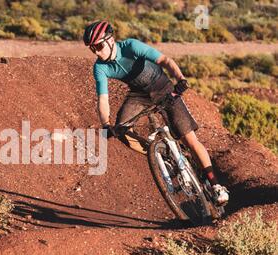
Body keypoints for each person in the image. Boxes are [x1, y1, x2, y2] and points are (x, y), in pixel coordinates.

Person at [83, 20, 229, 206]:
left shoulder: (130, 46)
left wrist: (180, 79)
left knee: (189, 139)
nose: (96, 51)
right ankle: (158, 154)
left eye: (98, 45)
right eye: (92, 49)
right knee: (121, 129)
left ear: (110, 40)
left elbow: (165, 61)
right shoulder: (100, 67)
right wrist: (106, 124)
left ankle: (216, 185)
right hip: (139, 96)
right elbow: (103, 99)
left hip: (163, 87)